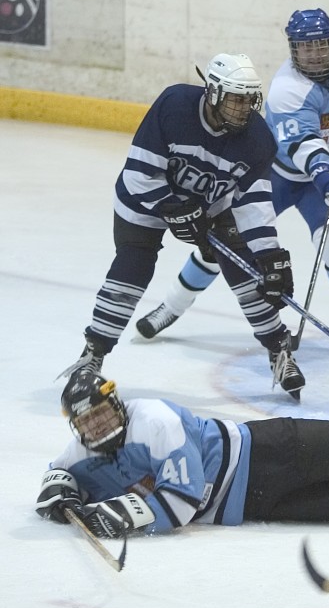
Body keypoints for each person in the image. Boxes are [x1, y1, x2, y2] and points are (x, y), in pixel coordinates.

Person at [136, 8, 329, 350]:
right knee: (222, 247)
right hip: (269, 179)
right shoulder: (286, 89)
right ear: (293, 49)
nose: (314, 54)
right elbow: (302, 144)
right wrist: (324, 173)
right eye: (305, 47)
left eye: (321, 45)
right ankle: (172, 306)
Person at [59, 53, 305, 399]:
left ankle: (279, 350)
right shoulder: (174, 106)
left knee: (248, 273)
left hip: (209, 209)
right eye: (236, 98)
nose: (244, 107)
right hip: (146, 201)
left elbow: (253, 203)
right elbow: (139, 175)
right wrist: (173, 208)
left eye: (249, 99)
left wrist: (268, 255)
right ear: (214, 92)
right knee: (132, 268)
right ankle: (92, 355)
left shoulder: (259, 140)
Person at [35, 370, 329, 539]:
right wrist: (61, 500)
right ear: (76, 426)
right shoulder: (82, 453)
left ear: (116, 403)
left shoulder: (154, 420)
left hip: (273, 451)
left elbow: (182, 500)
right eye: (87, 422)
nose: (98, 426)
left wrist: (116, 517)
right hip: (257, 506)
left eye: (101, 413)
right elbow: (58, 475)